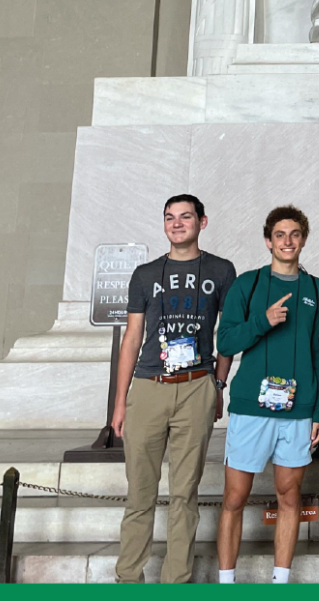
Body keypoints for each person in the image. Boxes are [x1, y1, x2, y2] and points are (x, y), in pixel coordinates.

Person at [112, 195, 237, 584]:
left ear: (202, 222)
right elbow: (132, 339)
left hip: (197, 386)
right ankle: (128, 578)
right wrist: (120, 404)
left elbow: (228, 334)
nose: (177, 223)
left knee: (185, 494)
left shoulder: (221, 270)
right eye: (170, 217)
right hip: (149, 387)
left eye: (186, 217)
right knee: (140, 493)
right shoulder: (145, 273)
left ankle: (176, 581)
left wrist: (218, 385)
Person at [214, 206, 319, 584]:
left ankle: (280, 582)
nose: (287, 241)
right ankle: (226, 583)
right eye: (280, 235)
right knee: (234, 498)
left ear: (303, 240)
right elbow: (226, 342)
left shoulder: (318, 290)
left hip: (298, 412)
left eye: (295, 234)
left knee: (290, 496)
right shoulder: (247, 284)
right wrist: (262, 321)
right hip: (251, 407)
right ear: (268, 241)